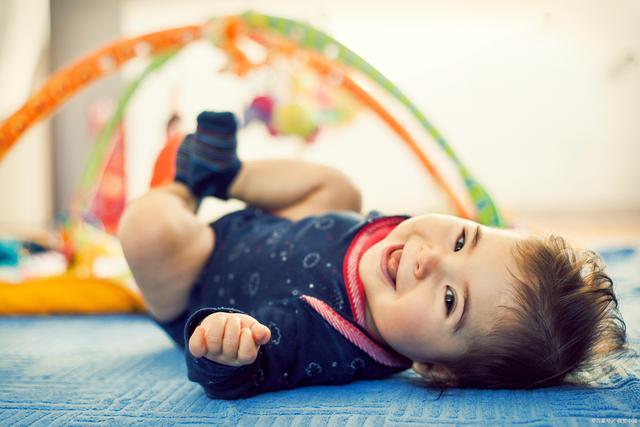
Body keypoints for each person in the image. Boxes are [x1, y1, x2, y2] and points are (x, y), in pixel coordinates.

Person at [117, 112, 627, 399]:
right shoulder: (401, 244)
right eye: (461, 240)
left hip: (197, 277)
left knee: (151, 232)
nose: (429, 260)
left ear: (436, 370)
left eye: (450, 299)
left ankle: (182, 187)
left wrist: (227, 349)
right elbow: (340, 216)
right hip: (265, 227)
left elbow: (251, 370)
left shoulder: (332, 341)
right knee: (340, 189)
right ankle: (223, 174)